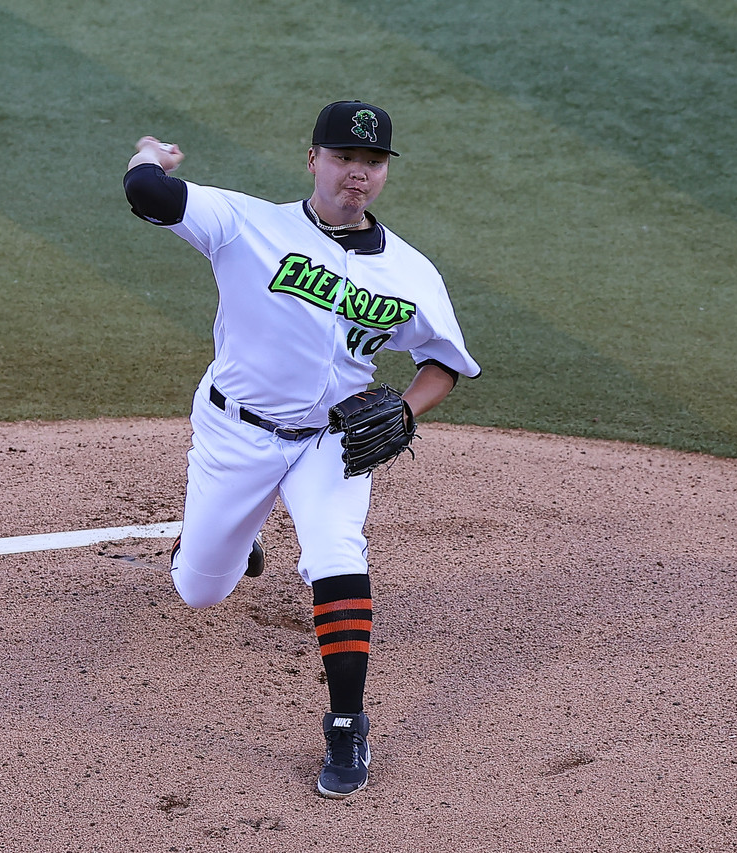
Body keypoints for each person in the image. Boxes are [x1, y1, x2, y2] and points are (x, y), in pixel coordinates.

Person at [122, 100, 480, 799]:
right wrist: (148, 154)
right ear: (313, 159)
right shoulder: (247, 224)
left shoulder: (411, 273)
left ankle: (347, 724)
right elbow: (147, 193)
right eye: (344, 158)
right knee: (201, 590)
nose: (358, 174)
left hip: (330, 441)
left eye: (372, 162)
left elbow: (445, 363)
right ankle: (228, 535)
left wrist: (406, 409)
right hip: (236, 433)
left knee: (337, 553)